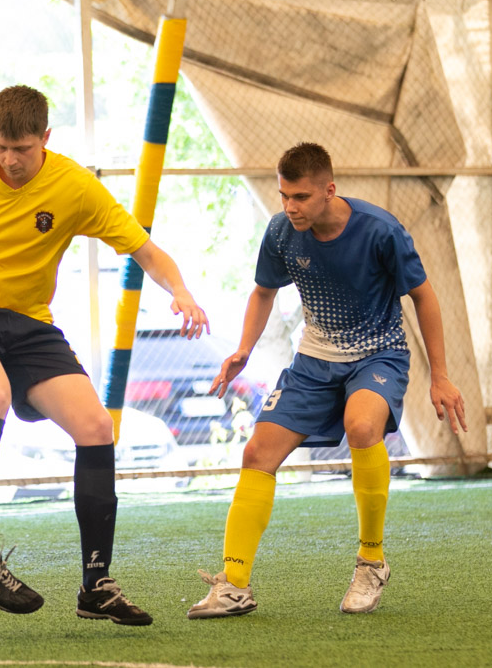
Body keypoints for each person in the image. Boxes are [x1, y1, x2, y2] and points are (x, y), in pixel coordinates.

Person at [0, 85, 209, 626]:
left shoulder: (74, 187)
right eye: (1, 148)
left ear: (45, 138)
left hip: (29, 323)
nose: (10, 160)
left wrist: (180, 292)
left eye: (22, 149)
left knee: (96, 427)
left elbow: (146, 250)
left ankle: (96, 585)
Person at [187, 142, 467, 619]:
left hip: (379, 354)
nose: (290, 207)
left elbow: (424, 297)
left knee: (362, 427)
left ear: (329, 191)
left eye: (300, 197)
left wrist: (439, 375)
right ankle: (234, 585)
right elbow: (263, 292)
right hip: (314, 359)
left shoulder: (380, 230)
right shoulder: (282, 232)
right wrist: (243, 349)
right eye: (284, 195)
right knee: (256, 454)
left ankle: (371, 563)